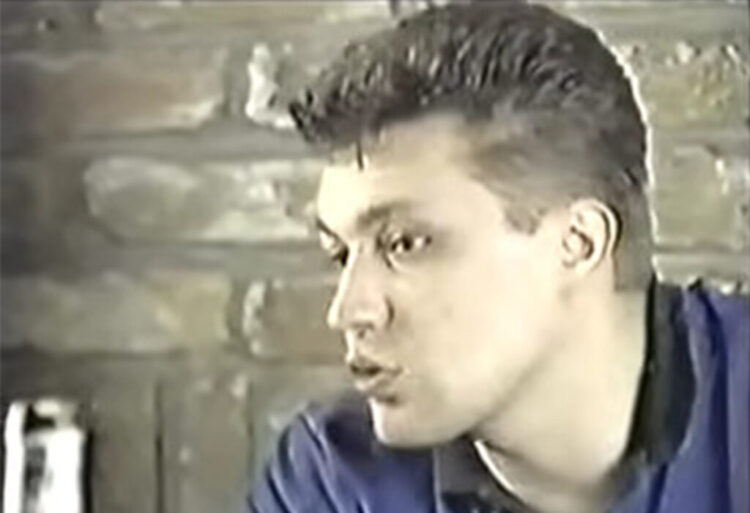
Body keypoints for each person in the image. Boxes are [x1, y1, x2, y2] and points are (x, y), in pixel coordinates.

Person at [247, 4, 749, 513]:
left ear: (578, 243)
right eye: (339, 253)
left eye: (404, 243)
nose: (348, 311)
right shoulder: (334, 481)